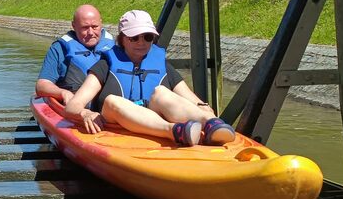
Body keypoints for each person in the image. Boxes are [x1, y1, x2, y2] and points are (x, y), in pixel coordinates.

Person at [63, 9, 236, 147]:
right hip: (117, 127)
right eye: (134, 37)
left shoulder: (162, 65)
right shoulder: (104, 66)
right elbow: (73, 106)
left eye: (147, 37)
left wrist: (204, 109)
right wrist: (85, 113)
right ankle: (174, 131)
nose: (141, 42)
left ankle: (212, 125)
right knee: (112, 101)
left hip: (154, 121)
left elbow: (192, 99)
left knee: (162, 92)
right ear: (122, 39)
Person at [36, 4, 114, 104]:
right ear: (74, 26)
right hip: (76, 107)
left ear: (101, 24)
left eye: (95, 27)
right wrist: (63, 93)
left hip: (109, 108)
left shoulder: (115, 47)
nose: (90, 32)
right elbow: (42, 85)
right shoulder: (59, 49)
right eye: (85, 27)